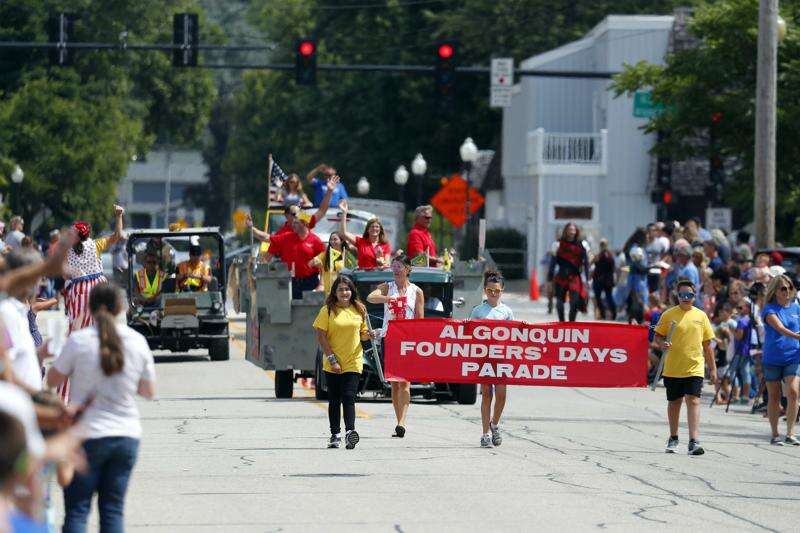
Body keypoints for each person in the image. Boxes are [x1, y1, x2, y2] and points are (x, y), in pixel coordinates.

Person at [46, 282, 156, 532]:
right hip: (125, 436)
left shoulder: (79, 341)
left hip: (85, 437)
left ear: (90, 308)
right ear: (120, 308)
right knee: (112, 510)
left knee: (77, 510)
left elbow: (52, 381)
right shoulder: (137, 341)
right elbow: (149, 391)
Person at [654, 279, 717, 455]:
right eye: (682, 295)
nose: (686, 298)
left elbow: (707, 345)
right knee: (674, 403)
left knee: (694, 400)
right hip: (673, 367)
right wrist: (662, 344)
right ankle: (673, 437)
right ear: (677, 296)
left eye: (689, 295)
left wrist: (712, 369)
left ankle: (694, 441)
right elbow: (657, 337)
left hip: (694, 366)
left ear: (694, 296)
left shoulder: (701, 316)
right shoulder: (668, 315)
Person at [367, 252, 424, 438]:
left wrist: (417, 341)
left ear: (408, 269)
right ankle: (397, 419)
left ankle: (402, 422)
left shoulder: (416, 291)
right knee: (394, 383)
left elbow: (419, 318)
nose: (396, 270)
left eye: (399, 266)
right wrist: (388, 299)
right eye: (394, 266)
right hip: (389, 337)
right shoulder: (387, 287)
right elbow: (371, 297)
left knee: (405, 382)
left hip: (407, 339)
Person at [312, 275, 372, 449]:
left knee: (349, 397)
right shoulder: (328, 310)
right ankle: (335, 434)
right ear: (335, 292)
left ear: (351, 291)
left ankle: (350, 433)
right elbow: (321, 336)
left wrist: (370, 334)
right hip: (333, 362)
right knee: (334, 399)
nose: (344, 292)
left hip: (353, 360)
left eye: (347, 289)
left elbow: (363, 334)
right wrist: (332, 359)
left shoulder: (359, 309)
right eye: (340, 289)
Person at [64, 205, 125, 335]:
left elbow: (64, 273)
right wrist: (119, 216)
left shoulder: (67, 249)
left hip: (79, 288)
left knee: (77, 324)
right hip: (98, 286)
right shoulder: (96, 244)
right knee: (102, 321)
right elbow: (117, 236)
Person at [470, 270, 514, 448]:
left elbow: (515, 334)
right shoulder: (478, 310)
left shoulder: (507, 311)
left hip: (502, 358)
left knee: (501, 396)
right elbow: (469, 333)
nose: (493, 294)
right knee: (487, 394)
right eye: (490, 291)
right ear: (485, 290)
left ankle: (494, 424)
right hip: (484, 358)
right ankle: (484, 433)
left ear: (502, 290)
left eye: (497, 291)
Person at [759, 275, 800, 445]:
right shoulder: (769, 309)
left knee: (793, 392)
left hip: (793, 356)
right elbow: (780, 328)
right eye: (783, 288)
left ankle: (790, 433)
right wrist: (798, 337)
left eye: (789, 287)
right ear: (775, 291)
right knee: (774, 396)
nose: (787, 291)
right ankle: (775, 434)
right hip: (773, 358)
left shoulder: (796, 308)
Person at [0, 249, 46, 393]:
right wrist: (40, 400)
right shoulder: (7, 313)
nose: (39, 284)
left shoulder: (18, 311)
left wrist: (40, 354)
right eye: (37, 277)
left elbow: (17, 363)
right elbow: (5, 375)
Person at [247, 175, 341, 242]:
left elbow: (321, 211)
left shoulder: (305, 220)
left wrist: (329, 191)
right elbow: (267, 238)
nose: (296, 218)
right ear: (286, 216)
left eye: (297, 214)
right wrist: (252, 228)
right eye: (293, 214)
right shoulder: (285, 231)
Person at [265, 208, 325, 300]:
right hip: (290, 281)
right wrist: (252, 228)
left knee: (309, 311)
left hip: (309, 282)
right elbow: (268, 239)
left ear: (304, 223)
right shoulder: (286, 235)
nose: (293, 224)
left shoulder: (316, 241)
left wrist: (321, 284)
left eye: (296, 222)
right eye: (293, 221)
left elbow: (324, 265)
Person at [548, 222, 590, 322]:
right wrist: (549, 279)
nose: (572, 232)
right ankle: (561, 323)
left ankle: (571, 324)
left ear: (576, 231)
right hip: (561, 276)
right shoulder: (557, 244)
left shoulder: (582, 245)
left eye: (573, 230)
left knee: (574, 302)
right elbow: (553, 263)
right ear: (566, 231)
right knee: (559, 302)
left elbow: (586, 263)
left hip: (575, 277)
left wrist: (587, 279)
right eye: (570, 230)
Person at [340, 202, 391, 270]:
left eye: (377, 227)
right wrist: (344, 213)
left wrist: (380, 259)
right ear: (368, 230)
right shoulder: (361, 241)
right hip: (362, 277)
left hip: (378, 278)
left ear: (380, 230)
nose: (374, 229)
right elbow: (343, 233)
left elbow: (387, 265)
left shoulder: (385, 245)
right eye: (372, 227)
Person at [308, 231, 347, 296]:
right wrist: (316, 263)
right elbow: (310, 263)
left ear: (342, 241)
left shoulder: (346, 254)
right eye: (331, 240)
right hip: (328, 290)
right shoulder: (326, 254)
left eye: (335, 239)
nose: (332, 242)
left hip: (343, 289)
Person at [731, 299, 754, 404]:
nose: (738, 310)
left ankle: (735, 396)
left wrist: (731, 330)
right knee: (746, 372)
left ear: (747, 308)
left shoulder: (741, 321)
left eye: (741, 308)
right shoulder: (750, 320)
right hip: (748, 350)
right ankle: (745, 396)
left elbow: (739, 336)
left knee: (732, 372)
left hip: (740, 350)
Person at [592, 239, 616, 320]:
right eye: (601, 244)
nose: (602, 246)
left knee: (608, 297)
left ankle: (613, 313)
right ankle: (602, 314)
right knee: (598, 298)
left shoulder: (607, 254)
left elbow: (611, 267)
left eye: (604, 244)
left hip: (605, 280)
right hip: (599, 279)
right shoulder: (600, 254)